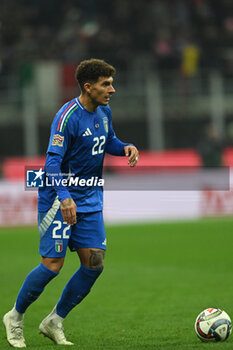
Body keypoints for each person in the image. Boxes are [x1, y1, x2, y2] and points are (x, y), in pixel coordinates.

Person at [3, 58, 139, 348]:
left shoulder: (104, 111)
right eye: (106, 84)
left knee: (95, 263)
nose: (112, 89)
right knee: (53, 264)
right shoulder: (67, 117)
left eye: (111, 83)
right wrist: (64, 197)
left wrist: (124, 146)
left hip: (89, 197)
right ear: (88, 87)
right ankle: (15, 316)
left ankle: (54, 321)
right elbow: (51, 162)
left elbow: (109, 141)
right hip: (57, 197)